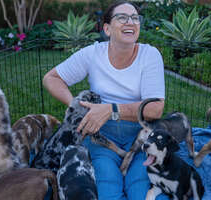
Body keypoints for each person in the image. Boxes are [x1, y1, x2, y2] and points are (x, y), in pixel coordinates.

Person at [43, 1, 169, 199]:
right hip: (101, 135)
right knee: (106, 189)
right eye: (122, 17)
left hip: (142, 135)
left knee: (141, 189)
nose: (131, 22)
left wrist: (111, 109)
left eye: (135, 18)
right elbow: (51, 78)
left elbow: (155, 109)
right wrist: (77, 107)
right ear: (107, 29)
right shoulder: (93, 54)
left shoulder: (150, 55)